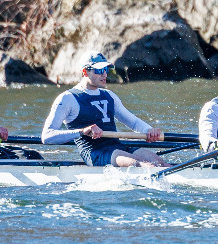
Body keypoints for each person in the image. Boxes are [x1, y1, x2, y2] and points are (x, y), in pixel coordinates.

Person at [41, 52, 169, 168]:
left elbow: (133, 122)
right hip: (95, 153)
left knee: (160, 163)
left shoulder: (109, 95)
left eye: (106, 69)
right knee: (144, 166)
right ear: (85, 72)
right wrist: (82, 131)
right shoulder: (67, 98)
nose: (104, 74)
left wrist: (149, 131)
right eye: (99, 70)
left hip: (118, 148)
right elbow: (47, 136)